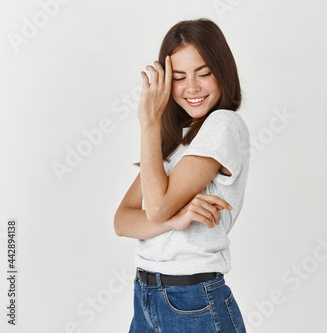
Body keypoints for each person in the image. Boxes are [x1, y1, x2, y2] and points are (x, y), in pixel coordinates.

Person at [114, 17, 249, 333]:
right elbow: (122, 220)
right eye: (179, 77)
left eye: (204, 73)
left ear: (223, 72)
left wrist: (149, 121)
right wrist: (174, 220)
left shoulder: (223, 125)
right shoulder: (178, 143)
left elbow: (156, 208)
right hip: (146, 295)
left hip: (193, 300)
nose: (192, 87)